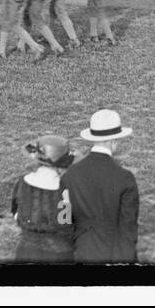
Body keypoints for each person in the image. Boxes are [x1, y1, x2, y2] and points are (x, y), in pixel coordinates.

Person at [59, 108, 139, 263]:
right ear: (114, 140)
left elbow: (63, 222)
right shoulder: (125, 178)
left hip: (80, 253)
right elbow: (128, 231)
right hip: (114, 254)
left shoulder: (69, 176)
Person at [9, 135, 75, 262]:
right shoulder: (67, 189)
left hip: (25, 252)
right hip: (60, 255)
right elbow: (70, 223)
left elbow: (16, 213)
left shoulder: (22, 183)